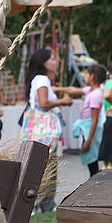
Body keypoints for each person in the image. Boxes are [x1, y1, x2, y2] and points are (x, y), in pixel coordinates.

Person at [21, 48, 72, 213]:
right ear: (44, 63)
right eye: (52, 59)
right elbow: (43, 103)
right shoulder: (42, 79)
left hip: (40, 130)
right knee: (46, 167)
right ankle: (40, 204)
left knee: (46, 167)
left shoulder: (40, 80)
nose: (55, 61)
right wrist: (63, 101)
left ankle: (46, 204)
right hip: (44, 132)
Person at [56, 64, 107, 177]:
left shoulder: (95, 95)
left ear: (92, 77)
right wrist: (56, 89)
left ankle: (94, 182)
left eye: (86, 75)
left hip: (90, 129)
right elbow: (73, 90)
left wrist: (88, 141)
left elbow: (94, 119)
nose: (84, 77)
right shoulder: (91, 90)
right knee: (91, 161)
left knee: (92, 161)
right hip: (87, 128)